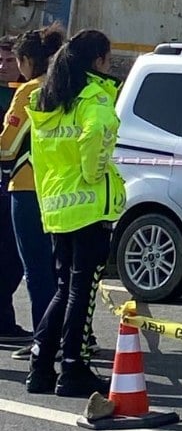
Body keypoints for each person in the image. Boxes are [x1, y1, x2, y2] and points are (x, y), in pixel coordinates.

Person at [25, 29, 126, 397]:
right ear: (98, 61)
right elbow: (99, 129)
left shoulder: (46, 98)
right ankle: (73, 369)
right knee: (80, 291)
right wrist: (95, 171)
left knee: (64, 288)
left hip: (56, 206)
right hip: (86, 208)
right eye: (109, 58)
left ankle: (40, 366)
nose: (110, 65)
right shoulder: (92, 96)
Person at [1, 25, 66, 361]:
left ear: (28, 60)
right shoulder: (69, 89)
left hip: (27, 188)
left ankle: (44, 339)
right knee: (60, 269)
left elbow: (6, 147)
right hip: (60, 189)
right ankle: (68, 337)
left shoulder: (29, 91)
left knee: (36, 270)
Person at [0, 36, 32, 346]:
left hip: (15, 186)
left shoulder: (26, 95)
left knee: (12, 259)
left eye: (10, 61)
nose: (3, 66)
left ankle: (3, 319)